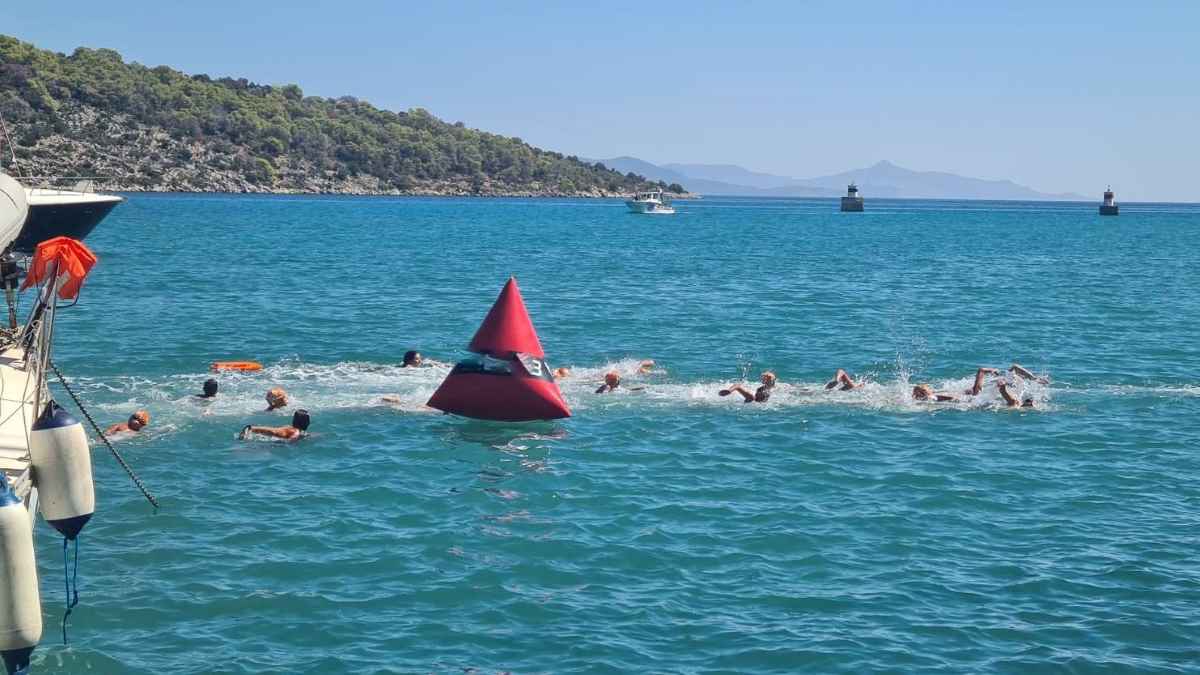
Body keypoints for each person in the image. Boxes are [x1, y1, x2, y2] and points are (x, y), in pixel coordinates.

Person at [240, 409, 311, 442]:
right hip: (250, 429)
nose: (309, 422)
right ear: (304, 422)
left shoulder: (290, 428)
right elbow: (289, 442)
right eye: (308, 420)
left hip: (250, 428)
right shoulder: (296, 432)